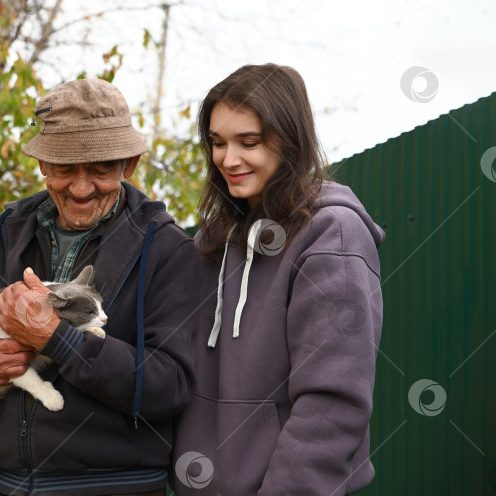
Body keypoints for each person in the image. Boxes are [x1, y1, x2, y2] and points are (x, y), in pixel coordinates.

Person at [0, 78, 197, 496]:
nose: (81, 188)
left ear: (129, 165)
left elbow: (169, 387)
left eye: (101, 169)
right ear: (42, 164)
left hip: (116, 489)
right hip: (0, 487)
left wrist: (59, 340)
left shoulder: (168, 250)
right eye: (65, 168)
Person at [171, 64, 384, 496]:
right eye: (217, 142)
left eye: (248, 142)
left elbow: (333, 404)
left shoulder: (332, 235)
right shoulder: (213, 239)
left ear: (289, 139)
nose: (228, 159)